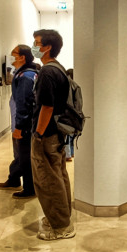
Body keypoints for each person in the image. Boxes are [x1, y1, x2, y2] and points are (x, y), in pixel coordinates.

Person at [30, 29, 74, 240]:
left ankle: (61, 226)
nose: (34, 46)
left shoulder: (48, 72)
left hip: (47, 134)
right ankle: (62, 217)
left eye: (37, 43)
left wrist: (38, 134)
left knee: (48, 180)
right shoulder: (59, 69)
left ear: (47, 47)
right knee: (59, 175)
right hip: (57, 133)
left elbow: (46, 107)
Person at [0, 45, 38, 199]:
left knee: (24, 157)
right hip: (24, 123)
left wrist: (19, 126)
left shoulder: (25, 77)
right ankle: (14, 179)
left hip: (24, 125)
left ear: (22, 57)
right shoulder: (26, 74)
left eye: (13, 55)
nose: (11, 58)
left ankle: (29, 189)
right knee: (21, 156)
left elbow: (23, 103)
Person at [64, 68, 76, 162]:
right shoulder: (75, 86)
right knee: (72, 135)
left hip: (67, 113)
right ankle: (71, 153)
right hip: (74, 114)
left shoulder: (66, 85)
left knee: (67, 136)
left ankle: (68, 154)